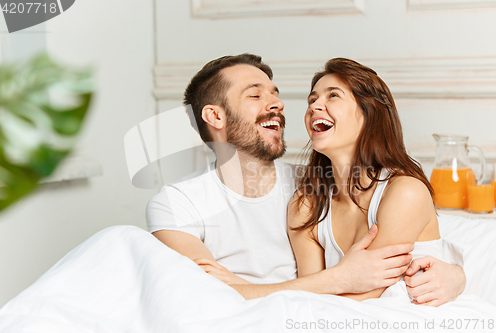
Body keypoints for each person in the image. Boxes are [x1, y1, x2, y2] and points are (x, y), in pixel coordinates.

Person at [146, 53, 465, 303]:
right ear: (215, 116)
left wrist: (456, 275)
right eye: (255, 95)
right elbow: (203, 292)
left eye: (275, 93)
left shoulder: (308, 188)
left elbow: (429, 234)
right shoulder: (177, 203)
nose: (279, 103)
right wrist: (341, 277)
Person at [288, 58, 453, 306]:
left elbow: (361, 298)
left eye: (332, 96)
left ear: (369, 114)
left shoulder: (405, 192)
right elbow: (309, 300)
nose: (315, 106)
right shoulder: (306, 207)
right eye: (312, 100)